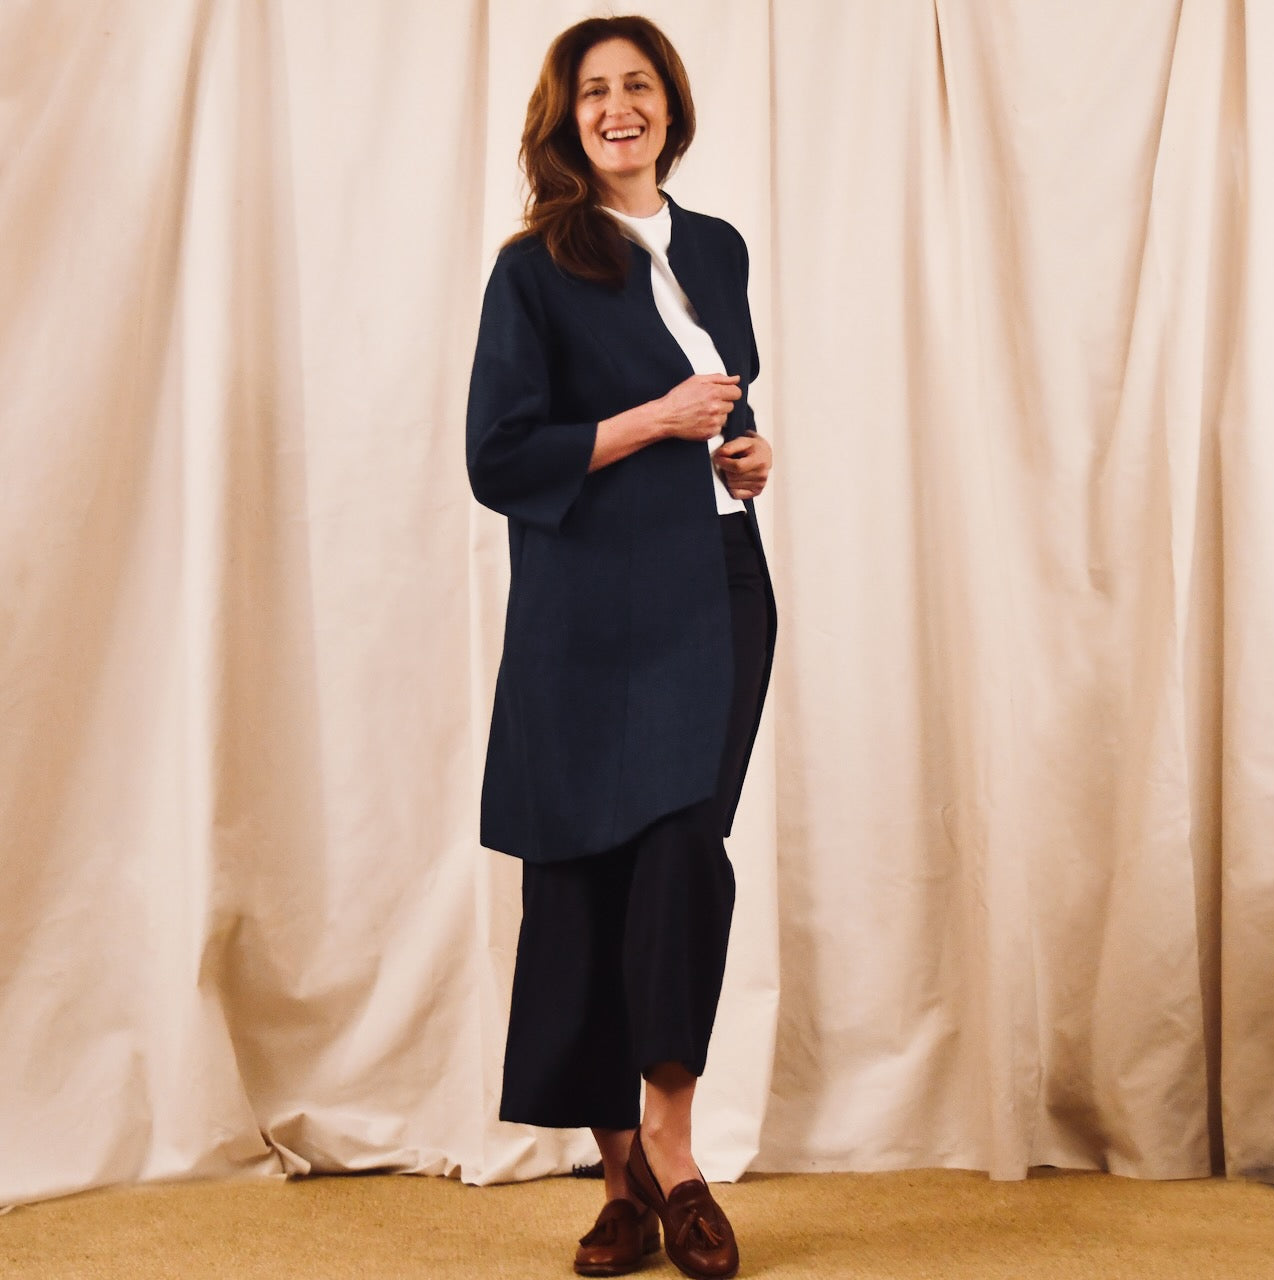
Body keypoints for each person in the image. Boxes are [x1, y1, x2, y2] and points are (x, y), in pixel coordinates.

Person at [466, 15, 775, 1279]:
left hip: (714, 586)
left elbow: (726, 412)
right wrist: (652, 419)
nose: (616, 107)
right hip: (586, 612)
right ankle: (620, 1178)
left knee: (677, 857)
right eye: (591, 91)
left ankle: (674, 1148)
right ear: (565, 117)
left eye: (636, 85)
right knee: (582, 879)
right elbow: (498, 457)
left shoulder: (714, 248)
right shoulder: (532, 266)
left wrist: (741, 459)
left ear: (668, 105)